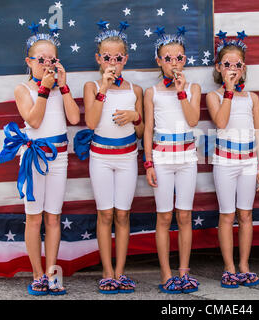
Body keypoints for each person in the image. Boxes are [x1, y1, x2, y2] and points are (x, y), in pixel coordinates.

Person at [0, 24, 80, 295]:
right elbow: (33, 120)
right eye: (41, 60)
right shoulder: (24, 89)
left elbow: (74, 119)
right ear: (29, 62)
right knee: (34, 218)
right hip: (34, 157)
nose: (47, 65)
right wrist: (44, 90)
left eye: (52, 60)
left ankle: (51, 272)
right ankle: (37, 274)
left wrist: (63, 86)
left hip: (59, 158)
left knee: (53, 218)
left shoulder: (60, 88)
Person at [80, 20, 144, 294]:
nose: (113, 62)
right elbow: (92, 123)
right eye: (107, 57)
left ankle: (120, 272)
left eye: (118, 58)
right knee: (105, 213)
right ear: (98, 59)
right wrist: (103, 90)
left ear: (125, 59)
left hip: (127, 157)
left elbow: (141, 131)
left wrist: (135, 116)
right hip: (101, 158)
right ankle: (106, 272)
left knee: (123, 214)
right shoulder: (91, 86)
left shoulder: (135, 91)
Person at [206, 30, 259, 288]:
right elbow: (220, 123)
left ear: (244, 68)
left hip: (248, 162)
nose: (233, 68)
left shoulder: (252, 98)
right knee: (227, 215)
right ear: (219, 68)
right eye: (227, 64)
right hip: (224, 163)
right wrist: (229, 91)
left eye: (237, 65)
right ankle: (229, 267)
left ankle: (244, 264)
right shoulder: (214, 96)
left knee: (246, 214)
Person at [143, 26, 201, 294]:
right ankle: (166, 273)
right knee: (164, 217)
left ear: (185, 59)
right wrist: (148, 163)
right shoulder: (151, 92)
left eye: (179, 57)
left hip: (187, 158)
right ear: (159, 61)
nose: (174, 63)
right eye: (168, 58)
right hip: (162, 158)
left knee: (185, 215)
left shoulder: (193, 88)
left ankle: (184, 271)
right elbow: (147, 129)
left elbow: (192, 120)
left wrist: (181, 92)